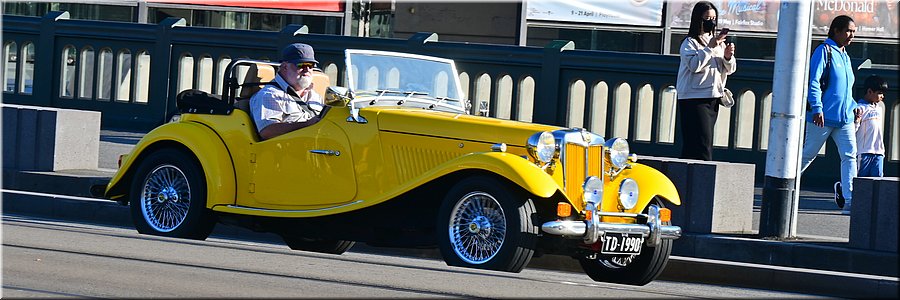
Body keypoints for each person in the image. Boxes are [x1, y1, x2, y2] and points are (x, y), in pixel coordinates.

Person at [798, 15, 861, 215]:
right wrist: (817, 108)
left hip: (845, 119)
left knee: (850, 156)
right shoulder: (824, 51)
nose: (851, 35)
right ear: (836, 30)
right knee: (808, 154)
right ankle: (782, 186)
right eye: (848, 31)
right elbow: (814, 81)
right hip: (823, 117)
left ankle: (850, 200)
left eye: (853, 32)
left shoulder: (845, 55)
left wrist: (853, 107)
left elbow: (846, 89)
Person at [675, 1, 737, 161]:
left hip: (713, 96)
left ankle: (691, 177)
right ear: (699, 19)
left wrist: (728, 56)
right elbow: (694, 66)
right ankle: (703, 175)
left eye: (714, 18)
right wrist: (709, 48)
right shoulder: (690, 43)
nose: (711, 22)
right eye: (707, 18)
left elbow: (729, 69)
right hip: (693, 98)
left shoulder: (718, 43)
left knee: (701, 140)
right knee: (701, 142)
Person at [250, 43, 324, 141]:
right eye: (301, 65)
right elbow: (267, 132)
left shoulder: (315, 96)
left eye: (310, 65)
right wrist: (306, 125)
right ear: (285, 67)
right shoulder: (270, 95)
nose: (307, 69)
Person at [855, 75, 887, 178]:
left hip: (878, 151)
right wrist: (856, 120)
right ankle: (841, 189)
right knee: (861, 180)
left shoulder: (879, 108)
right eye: (879, 93)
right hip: (864, 151)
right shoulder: (859, 108)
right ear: (869, 92)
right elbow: (853, 130)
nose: (882, 96)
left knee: (878, 180)